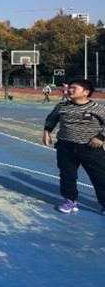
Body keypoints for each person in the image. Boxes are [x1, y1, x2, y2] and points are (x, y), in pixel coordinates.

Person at [43, 79, 105, 215]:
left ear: (86, 92)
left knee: (100, 177)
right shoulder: (62, 106)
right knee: (67, 176)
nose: (70, 90)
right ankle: (69, 200)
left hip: (90, 149)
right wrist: (47, 132)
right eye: (69, 87)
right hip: (65, 148)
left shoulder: (97, 108)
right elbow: (51, 119)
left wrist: (101, 137)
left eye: (74, 88)